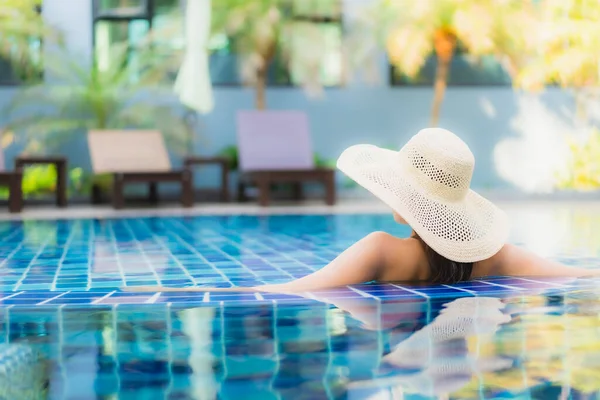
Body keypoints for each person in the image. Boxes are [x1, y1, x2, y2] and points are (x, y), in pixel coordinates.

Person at [128, 128, 599, 294]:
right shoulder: (496, 258)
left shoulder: (380, 252)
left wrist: (167, 287)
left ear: (404, 201)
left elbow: (294, 290)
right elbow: (575, 277)